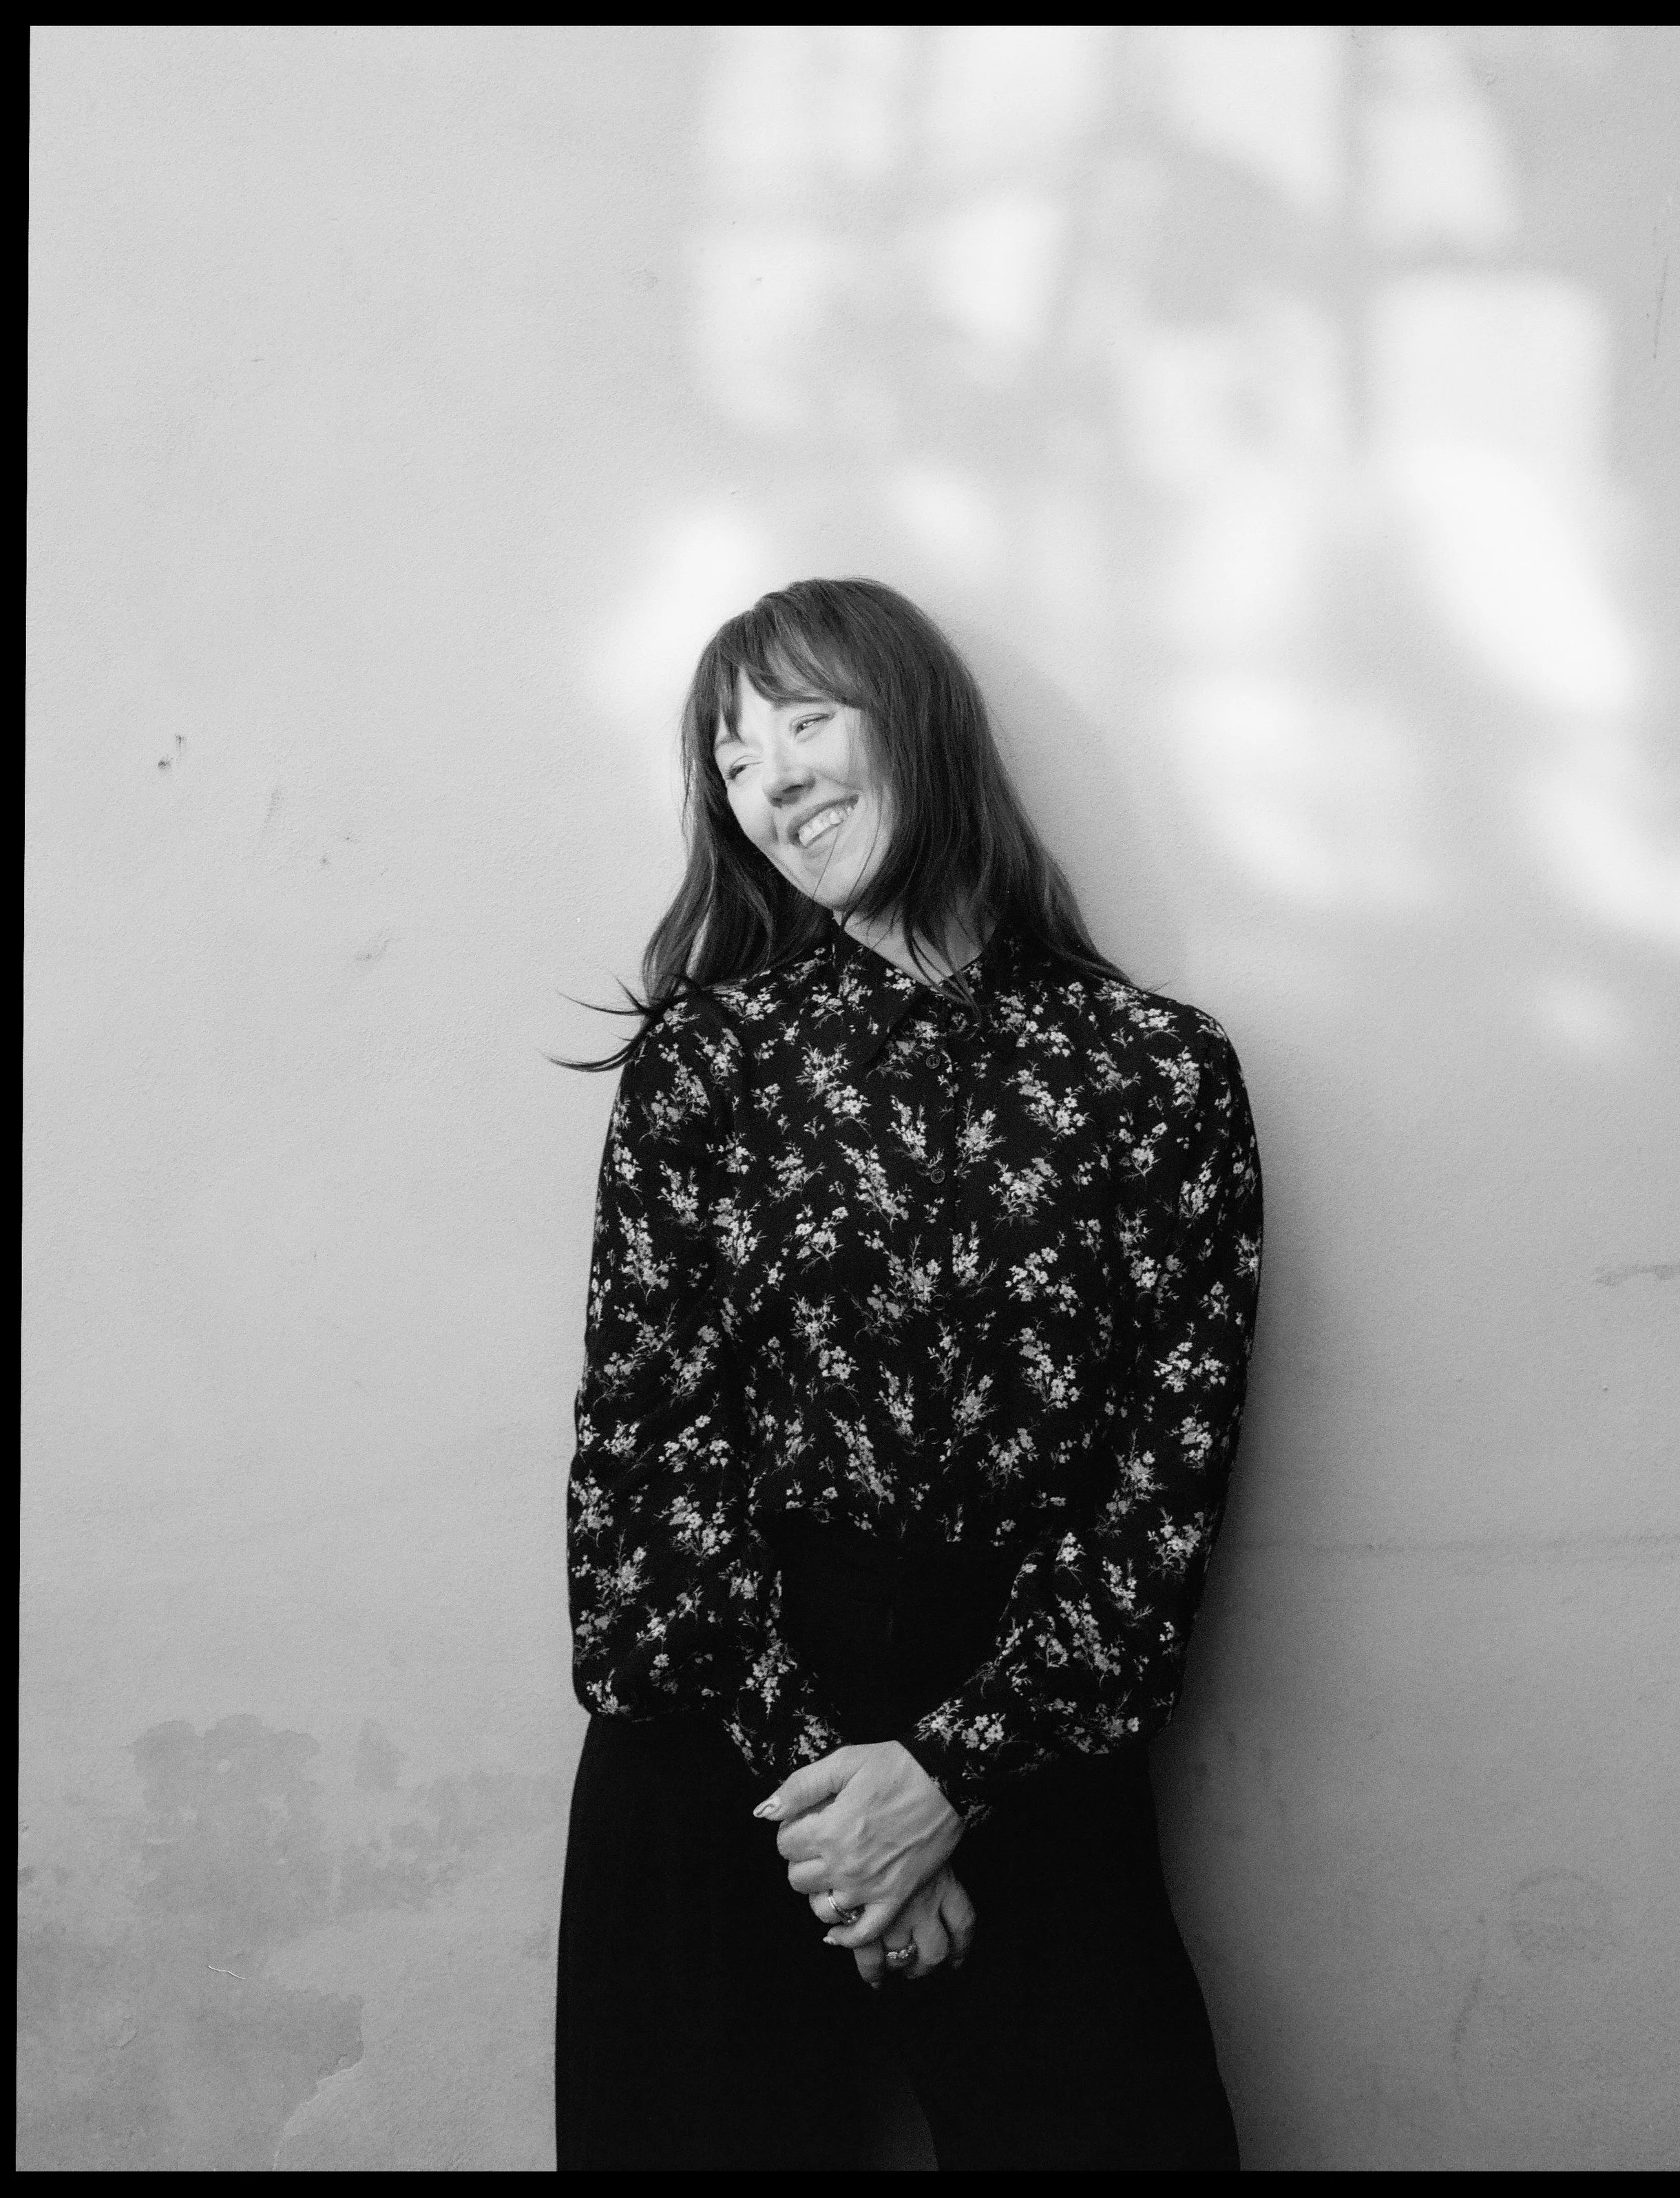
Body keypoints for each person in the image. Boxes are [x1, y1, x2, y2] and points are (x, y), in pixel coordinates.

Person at [554, 578, 1263, 2170]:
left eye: (806, 720)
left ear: (917, 724)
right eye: (733, 760)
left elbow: (1163, 1494)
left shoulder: (1156, 1073)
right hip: (722, 1720)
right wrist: (834, 1810)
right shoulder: (707, 1062)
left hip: (1027, 1706)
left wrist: (948, 1780)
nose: (772, 780)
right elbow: (640, 1464)